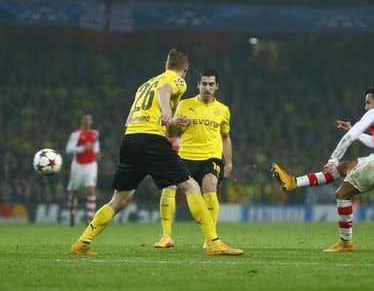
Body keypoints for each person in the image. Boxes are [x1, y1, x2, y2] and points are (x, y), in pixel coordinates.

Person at [69, 49, 243, 256]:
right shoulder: (176, 80)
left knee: (120, 198)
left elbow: (128, 120)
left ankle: (82, 243)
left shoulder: (145, 85)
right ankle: (213, 243)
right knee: (191, 186)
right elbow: (165, 91)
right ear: (186, 68)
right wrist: (168, 117)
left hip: (130, 139)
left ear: (165, 63)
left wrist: (166, 121)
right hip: (151, 140)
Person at [272, 87, 374, 252]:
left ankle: (346, 242)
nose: (366, 107)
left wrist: (333, 158)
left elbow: (350, 136)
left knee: (341, 194)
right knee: (344, 167)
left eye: (368, 102)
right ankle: (293, 182)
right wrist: (353, 132)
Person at [154, 69, 232, 248]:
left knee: (209, 185)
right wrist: (176, 126)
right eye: (204, 84)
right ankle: (166, 236)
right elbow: (171, 133)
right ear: (198, 85)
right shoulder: (184, 105)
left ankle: (209, 238)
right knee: (169, 185)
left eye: (211, 84)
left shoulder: (223, 110)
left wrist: (229, 163)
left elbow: (226, 137)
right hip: (185, 156)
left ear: (217, 87)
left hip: (210, 157)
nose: (207, 88)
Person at [66, 114, 100, 227]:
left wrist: (97, 153)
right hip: (78, 165)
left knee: (91, 190)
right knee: (74, 191)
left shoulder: (95, 134)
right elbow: (69, 149)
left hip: (91, 165)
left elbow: (95, 147)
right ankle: (72, 215)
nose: (87, 121)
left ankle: (90, 219)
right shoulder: (76, 134)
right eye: (85, 119)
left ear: (91, 122)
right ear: (82, 121)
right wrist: (82, 148)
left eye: (89, 119)